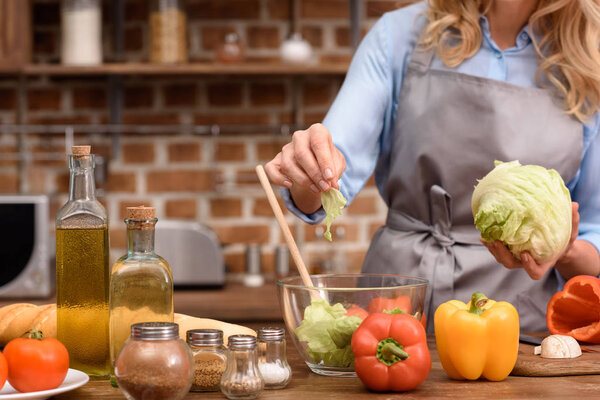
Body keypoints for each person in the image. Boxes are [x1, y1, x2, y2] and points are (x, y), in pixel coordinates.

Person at [264, 0, 600, 332]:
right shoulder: (398, 36)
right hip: (397, 311)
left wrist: (563, 250)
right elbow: (324, 186)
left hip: (519, 328)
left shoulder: (589, 57)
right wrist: (309, 168)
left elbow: (595, 233)